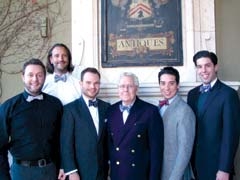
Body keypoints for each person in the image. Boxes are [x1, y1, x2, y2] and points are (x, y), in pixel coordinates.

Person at [0, 58, 63, 180]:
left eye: (39, 75)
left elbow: (61, 140)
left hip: (50, 171)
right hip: (21, 172)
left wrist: (62, 166)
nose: (35, 79)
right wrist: (4, 176)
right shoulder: (8, 107)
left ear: (45, 77)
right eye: (30, 75)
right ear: (23, 77)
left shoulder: (55, 105)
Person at [187, 50, 240, 180]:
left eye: (207, 65)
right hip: (195, 166)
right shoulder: (192, 94)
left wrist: (224, 169)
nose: (203, 70)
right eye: (199, 66)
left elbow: (230, 135)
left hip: (217, 168)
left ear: (216, 67)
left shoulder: (228, 94)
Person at [106, 72, 164, 180]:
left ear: (136, 89)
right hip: (117, 175)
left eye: (130, 86)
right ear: (118, 89)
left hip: (139, 175)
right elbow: (109, 146)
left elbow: (156, 152)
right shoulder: (111, 111)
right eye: (122, 86)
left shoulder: (150, 111)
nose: (125, 89)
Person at [60, 67, 110, 180]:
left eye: (96, 83)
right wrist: (71, 171)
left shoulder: (106, 107)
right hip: (80, 172)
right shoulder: (70, 109)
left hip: (102, 171)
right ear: (81, 83)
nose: (93, 87)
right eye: (88, 83)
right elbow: (66, 143)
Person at [158, 66, 195, 180]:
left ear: (178, 85)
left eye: (171, 83)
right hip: (161, 170)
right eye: (163, 83)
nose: (167, 88)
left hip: (176, 173)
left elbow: (185, 150)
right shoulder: (159, 107)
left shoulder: (185, 111)